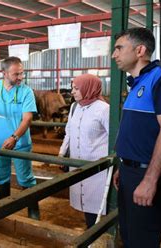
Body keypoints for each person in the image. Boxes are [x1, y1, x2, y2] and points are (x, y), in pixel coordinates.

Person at [112, 27, 161, 247]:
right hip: (130, 172)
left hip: (146, 175)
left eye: (119, 48)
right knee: (129, 234)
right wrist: (124, 165)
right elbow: (138, 131)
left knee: (142, 240)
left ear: (140, 50)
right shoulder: (137, 82)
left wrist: (150, 180)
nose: (114, 55)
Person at [0, 56, 40, 220]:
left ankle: (33, 213)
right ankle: (4, 212)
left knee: (25, 178)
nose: (20, 77)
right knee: (0, 178)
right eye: (16, 74)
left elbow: (27, 119)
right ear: (4, 73)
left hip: (19, 143)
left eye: (22, 73)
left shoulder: (26, 91)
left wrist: (14, 137)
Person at [58, 74, 110, 229]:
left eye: (76, 88)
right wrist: (62, 153)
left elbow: (115, 137)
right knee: (84, 200)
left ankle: (97, 234)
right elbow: (69, 132)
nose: (72, 92)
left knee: (97, 203)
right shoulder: (74, 107)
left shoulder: (104, 110)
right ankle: (91, 232)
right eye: (73, 88)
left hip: (97, 167)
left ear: (89, 88)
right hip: (77, 162)